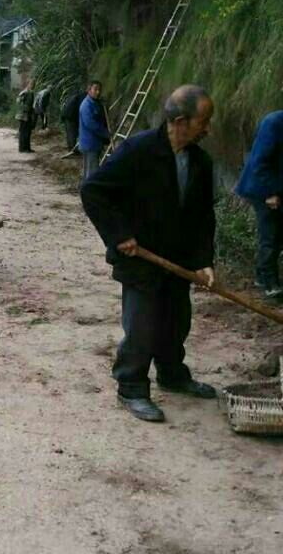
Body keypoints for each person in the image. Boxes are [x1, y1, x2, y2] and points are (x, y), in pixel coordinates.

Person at [81, 85, 217, 423]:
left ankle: (172, 375)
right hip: (141, 259)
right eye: (203, 121)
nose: (208, 129)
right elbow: (93, 191)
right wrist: (119, 235)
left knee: (176, 323)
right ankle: (131, 386)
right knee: (142, 327)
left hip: (178, 261)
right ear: (181, 121)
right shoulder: (138, 151)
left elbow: (203, 217)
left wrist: (204, 261)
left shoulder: (200, 162)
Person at [235, 111, 283, 298]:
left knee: (277, 235)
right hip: (262, 187)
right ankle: (269, 284)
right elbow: (259, 162)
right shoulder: (274, 123)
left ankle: (262, 275)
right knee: (270, 235)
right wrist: (269, 193)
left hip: (276, 185)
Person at [78, 80, 110, 179]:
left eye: (99, 90)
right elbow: (91, 124)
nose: (98, 92)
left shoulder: (95, 103)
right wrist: (106, 133)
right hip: (90, 143)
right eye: (95, 89)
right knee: (92, 171)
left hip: (94, 143)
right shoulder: (86, 105)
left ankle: (87, 186)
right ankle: (90, 187)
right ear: (89, 90)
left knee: (90, 170)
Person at [60, 87, 87, 155]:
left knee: (70, 132)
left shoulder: (77, 95)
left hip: (67, 114)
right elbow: (81, 109)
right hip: (70, 116)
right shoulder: (84, 97)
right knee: (72, 133)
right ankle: (72, 150)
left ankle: (71, 148)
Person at [15, 79, 35, 153]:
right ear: (28, 84)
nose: (33, 85)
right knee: (23, 132)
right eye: (31, 84)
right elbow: (18, 101)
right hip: (23, 115)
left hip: (28, 114)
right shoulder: (25, 92)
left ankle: (27, 148)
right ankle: (22, 148)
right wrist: (25, 108)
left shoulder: (31, 93)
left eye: (34, 84)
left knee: (28, 132)